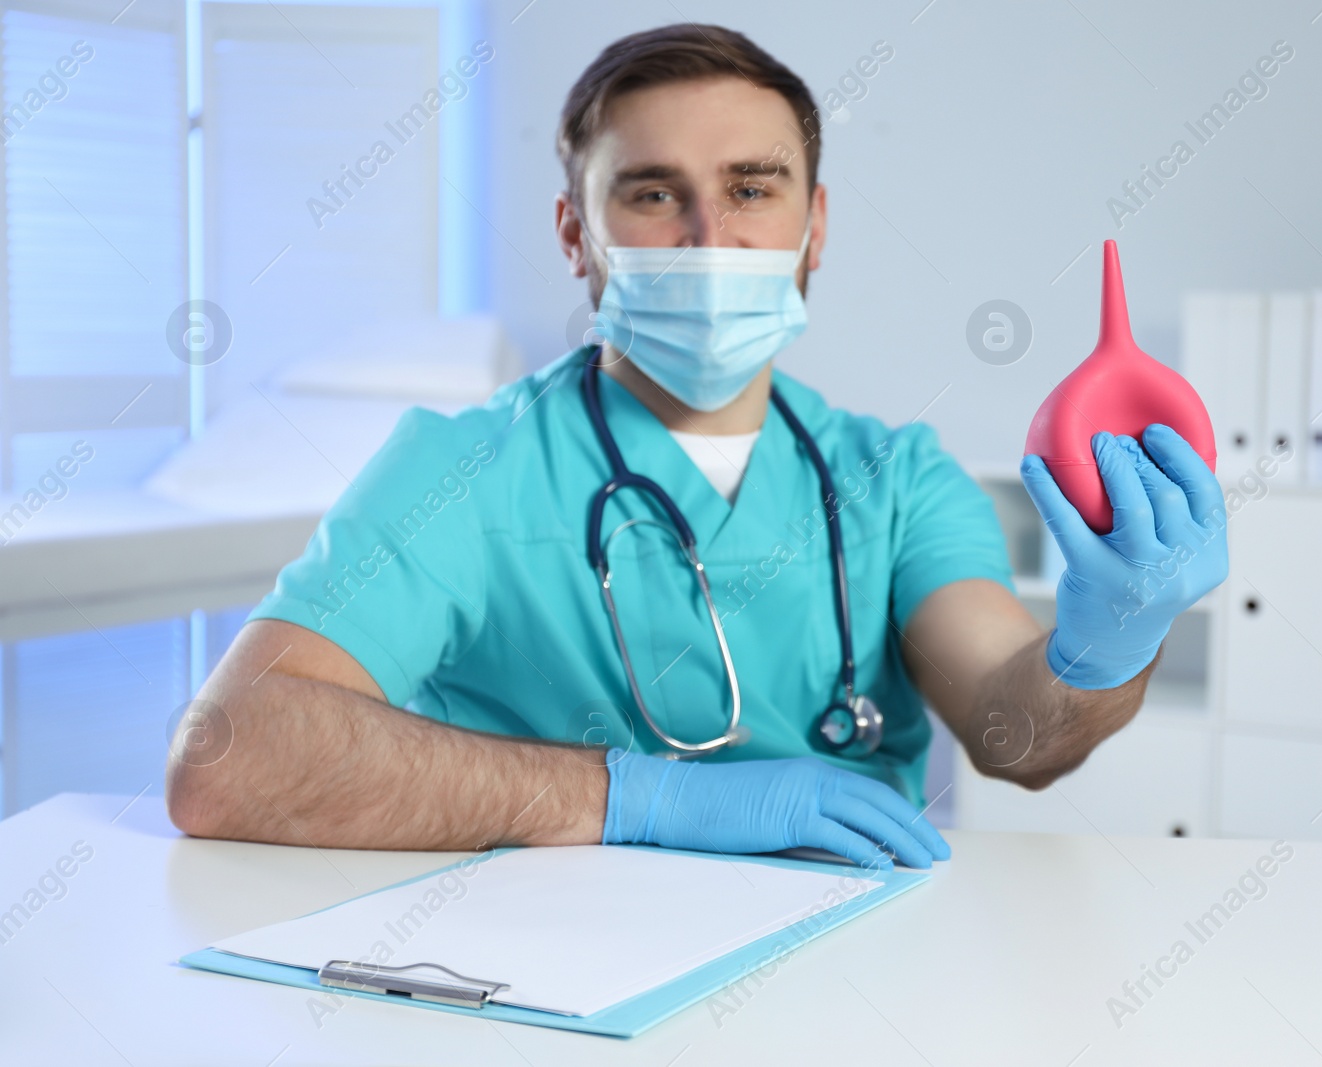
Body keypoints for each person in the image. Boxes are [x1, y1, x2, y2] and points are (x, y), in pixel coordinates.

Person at [166, 24, 1227, 870]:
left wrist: (1108, 641)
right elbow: (228, 756)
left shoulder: (895, 479)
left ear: (815, 226)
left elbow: (1017, 738)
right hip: (535, 979)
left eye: (751, 188)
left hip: (846, 971)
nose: (710, 237)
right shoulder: (462, 467)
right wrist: (634, 795)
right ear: (575, 233)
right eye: (653, 192)